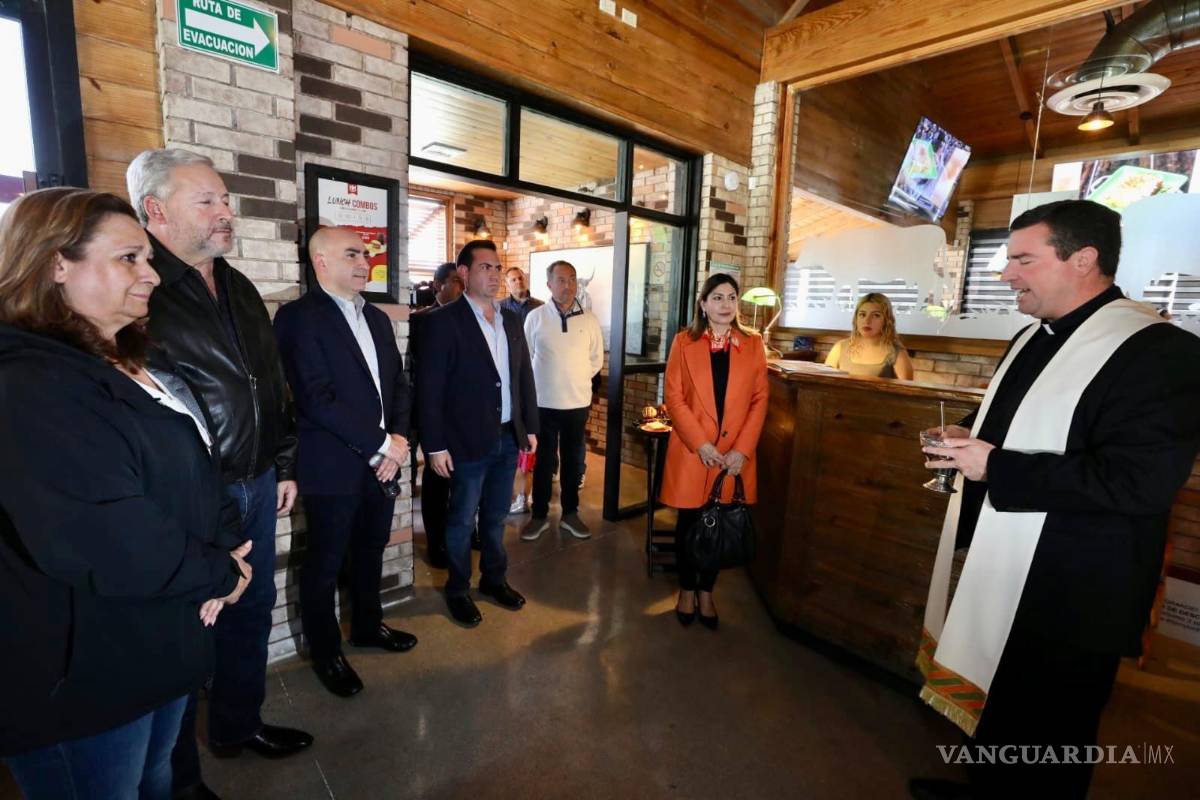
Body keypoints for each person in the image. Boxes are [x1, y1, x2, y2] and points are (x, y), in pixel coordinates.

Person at [912, 200, 1200, 800]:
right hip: (1009, 558)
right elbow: (1018, 418)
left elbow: (1138, 482)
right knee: (1000, 702)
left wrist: (994, 464)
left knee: (1051, 729)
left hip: (1078, 585)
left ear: (1083, 259)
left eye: (1022, 258)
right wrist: (969, 432)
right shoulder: (1030, 335)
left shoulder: (1161, 352)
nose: (1006, 274)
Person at [0, 189, 252, 799]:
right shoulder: (29, 383)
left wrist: (222, 549)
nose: (152, 274)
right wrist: (218, 572)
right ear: (57, 264)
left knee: (155, 780)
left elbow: (193, 468)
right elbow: (107, 537)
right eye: (130, 258)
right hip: (84, 671)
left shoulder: (116, 360)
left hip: (155, 634)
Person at [125, 149, 312, 787]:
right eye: (207, 200)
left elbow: (271, 380)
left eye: (225, 199)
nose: (225, 211)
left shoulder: (233, 282)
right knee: (185, 635)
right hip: (192, 496)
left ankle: (238, 725)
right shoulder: (141, 291)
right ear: (155, 211)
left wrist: (283, 461)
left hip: (257, 480)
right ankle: (179, 778)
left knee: (251, 609)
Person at [274, 227, 417, 699]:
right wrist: (384, 445)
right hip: (334, 464)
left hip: (382, 460)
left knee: (371, 549)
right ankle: (326, 652)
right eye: (352, 254)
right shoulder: (298, 318)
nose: (365, 262)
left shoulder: (375, 317)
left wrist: (397, 439)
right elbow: (316, 399)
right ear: (320, 261)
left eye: (368, 254)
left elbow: (398, 384)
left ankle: (368, 626)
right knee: (324, 562)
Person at [417, 240, 538, 627]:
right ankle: (457, 589)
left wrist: (529, 427)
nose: (495, 275)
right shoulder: (443, 322)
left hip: (506, 437)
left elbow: (523, 378)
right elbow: (429, 389)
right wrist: (434, 446)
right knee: (461, 520)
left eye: (498, 268)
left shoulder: (512, 320)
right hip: (465, 441)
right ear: (464, 273)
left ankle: (493, 579)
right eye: (485, 267)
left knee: (496, 515)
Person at [660, 273, 769, 630]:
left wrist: (743, 450)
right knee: (690, 524)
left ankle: (707, 592)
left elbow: (759, 399)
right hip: (695, 451)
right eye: (718, 297)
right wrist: (700, 443)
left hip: (732, 456)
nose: (725, 304)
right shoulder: (682, 342)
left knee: (719, 524)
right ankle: (686, 590)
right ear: (703, 304)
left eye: (732, 297)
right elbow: (673, 398)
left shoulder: (753, 344)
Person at [520, 260, 604, 541]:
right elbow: (526, 359)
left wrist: (575, 380)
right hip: (542, 404)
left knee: (572, 461)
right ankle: (539, 515)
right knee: (543, 462)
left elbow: (595, 361)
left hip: (577, 403)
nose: (567, 286)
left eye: (571, 280)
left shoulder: (589, 319)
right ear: (549, 285)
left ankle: (570, 513)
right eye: (561, 280)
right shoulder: (535, 318)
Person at [411, 262, 464, 568]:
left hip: (463, 415)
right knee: (437, 481)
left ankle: (464, 532)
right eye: (455, 281)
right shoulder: (423, 321)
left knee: (466, 481)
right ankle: (436, 542)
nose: (461, 287)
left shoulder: (473, 319)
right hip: (433, 414)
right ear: (437, 286)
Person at [824, 292, 914, 379]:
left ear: (886, 320)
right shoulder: (839, 348)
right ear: (856, 319)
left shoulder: (897, 355)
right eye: (862, 314)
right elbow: (824, 386)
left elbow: (907, 392)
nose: (867, 321)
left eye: (876, 315)